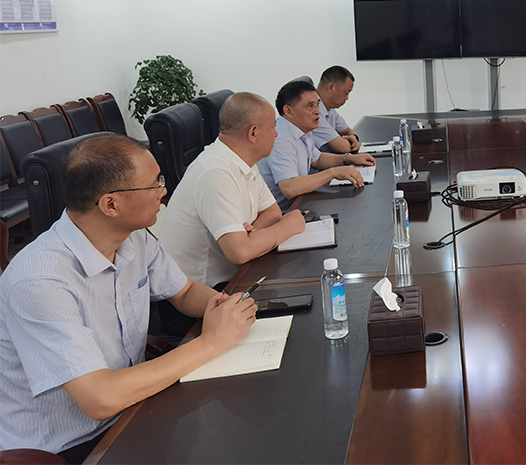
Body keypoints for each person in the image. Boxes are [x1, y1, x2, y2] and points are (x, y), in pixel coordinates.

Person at [0, 135, 257, 462]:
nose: (164, 191)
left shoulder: (133, 238)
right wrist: (211, 342)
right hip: (70, 443)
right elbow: (100, 399)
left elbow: (185, 292)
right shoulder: (40, 280)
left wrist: (225, 307)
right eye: (155, 184)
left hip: (132, 405)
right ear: (111, 205)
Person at [160, 92, 307, 287]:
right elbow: (240, 252)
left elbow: (272, 212)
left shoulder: (242, 160)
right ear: (253, 133)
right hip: (200, 290)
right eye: (273, 126)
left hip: (235, 275)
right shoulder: (215, 172)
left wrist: (250, 237)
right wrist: (289, 225)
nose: (276, 133)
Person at [258, 79, 375, 210]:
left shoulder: (301, 129)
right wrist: (333, 172)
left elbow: (317, 159)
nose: (318, 111)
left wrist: (348, 159)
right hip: (283, 212)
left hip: (300, 204)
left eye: (317, 104)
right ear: (288, 111)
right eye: (310, 106)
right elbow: (289, 188)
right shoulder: (281, 138)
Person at [312, 66, 361, 153]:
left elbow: (347, 131)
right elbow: (343, 148)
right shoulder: (313, 113)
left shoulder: (330, 109)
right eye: (346, 93)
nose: (347, 98)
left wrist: (353, 137)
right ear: (331, 87)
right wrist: (348, 141)